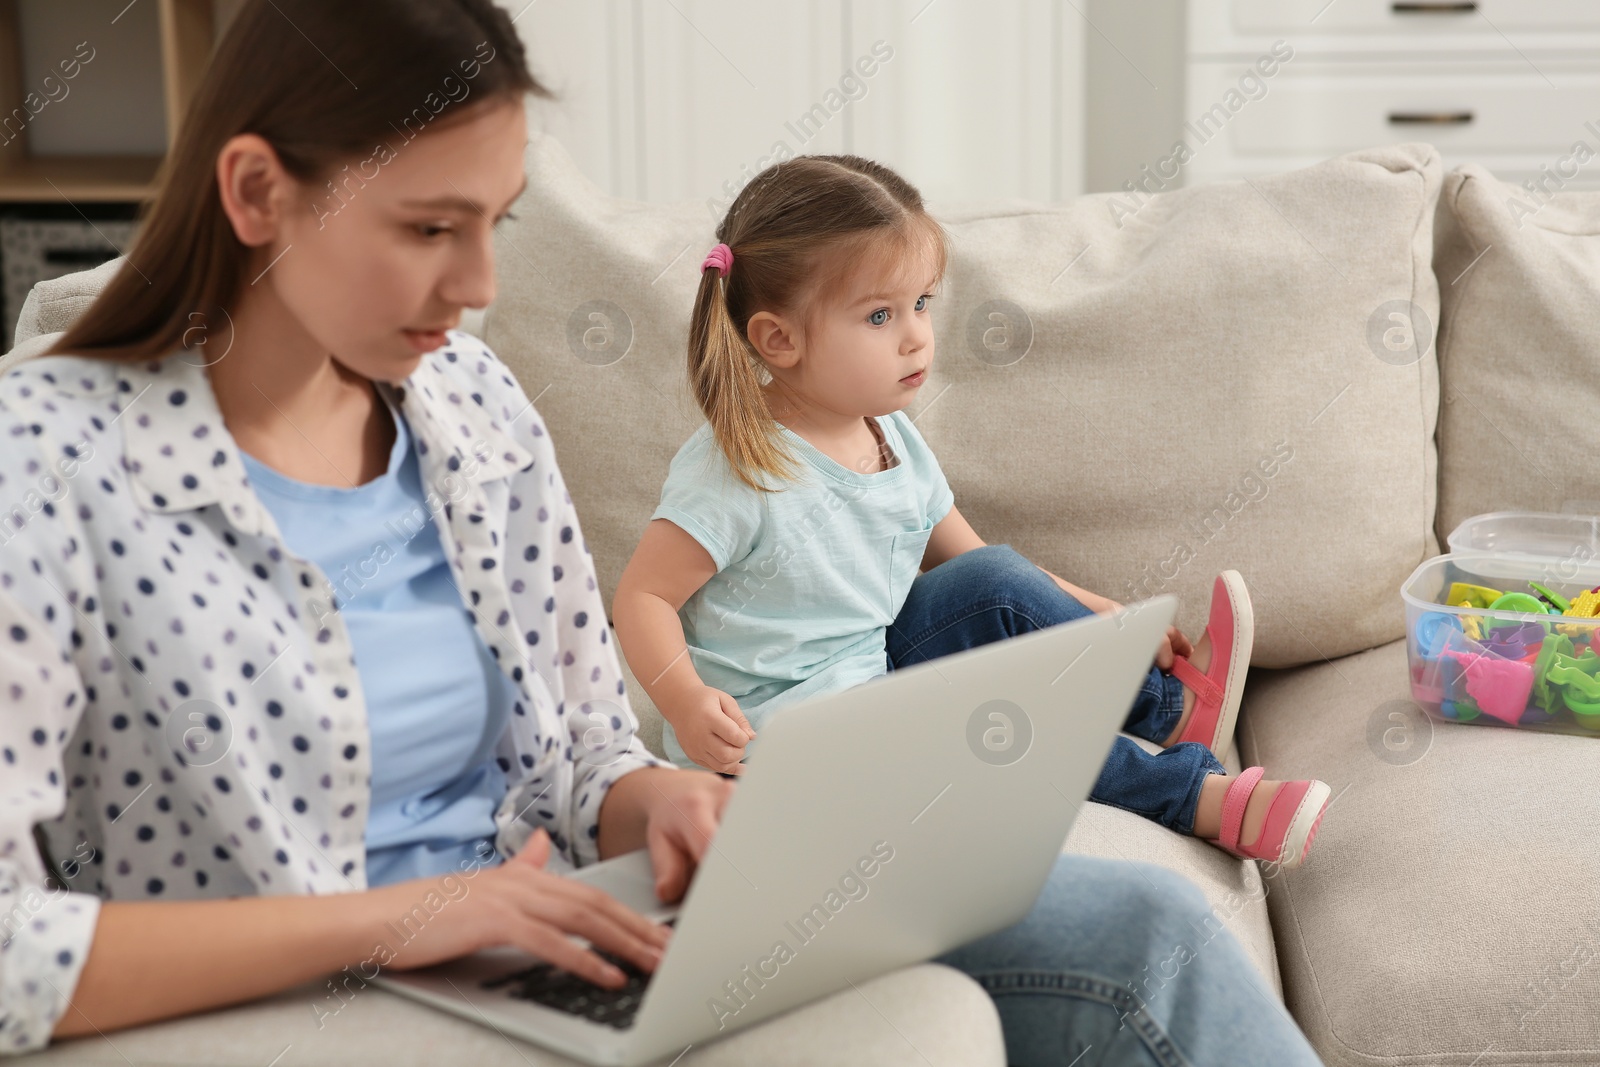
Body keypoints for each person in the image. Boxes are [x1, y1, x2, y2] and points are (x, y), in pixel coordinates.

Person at [0, 3, 1325, 1063]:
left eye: (494, 224)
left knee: (1146, 928)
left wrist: (668, 803)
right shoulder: (46, 462)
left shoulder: (471, 410)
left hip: (558, 929)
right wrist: (420, 916)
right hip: (294, 1001)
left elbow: (586, 747)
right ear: (253, 192)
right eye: (427, 229)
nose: (478, 287)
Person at [612, 155, 1332, 869]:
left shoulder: (886, 431)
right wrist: (682, 700)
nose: (917, 334)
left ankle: (1170, 709)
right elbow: (643, 596)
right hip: (790, 741)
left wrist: (1103, 619)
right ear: (779, 339)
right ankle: (1204, 798)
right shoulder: (737, 468)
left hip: (877, 665)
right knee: (1002, 730)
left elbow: (976, 565)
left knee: (991, 577)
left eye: (922, 304)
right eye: (879, 315)